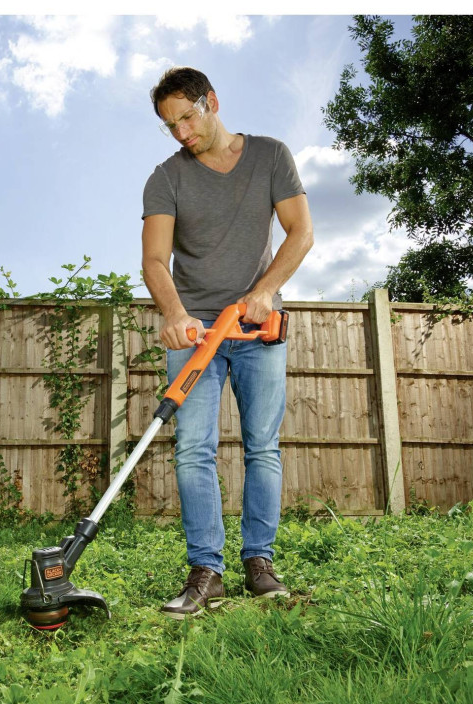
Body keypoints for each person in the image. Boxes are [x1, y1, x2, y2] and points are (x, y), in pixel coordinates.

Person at [141, 67, 314, 619]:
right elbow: (154, 260)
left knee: (263, 446)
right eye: (170, 125)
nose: (182, 133)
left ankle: (259, 561)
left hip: (256, 326)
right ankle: (206, 571)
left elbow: (301, 232)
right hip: (196, 333)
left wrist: (264, 291)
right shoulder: (165, 178)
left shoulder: (270, 156)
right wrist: (174, 314)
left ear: (211, 102)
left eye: (187, 117)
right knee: (193, 449)